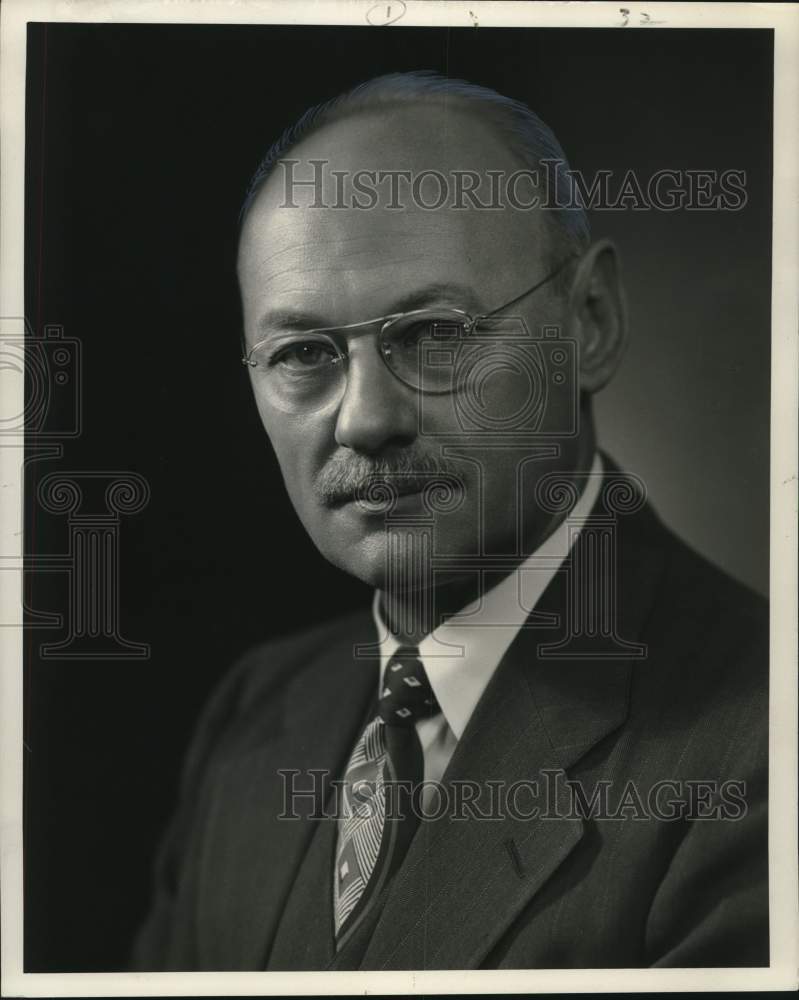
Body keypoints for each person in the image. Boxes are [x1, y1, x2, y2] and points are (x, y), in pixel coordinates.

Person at [130, 72, 768, 971]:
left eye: (434, 333)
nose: (364, 420)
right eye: (303, 354)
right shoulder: (258, 711)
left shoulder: (759, 753)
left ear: (589, 322)